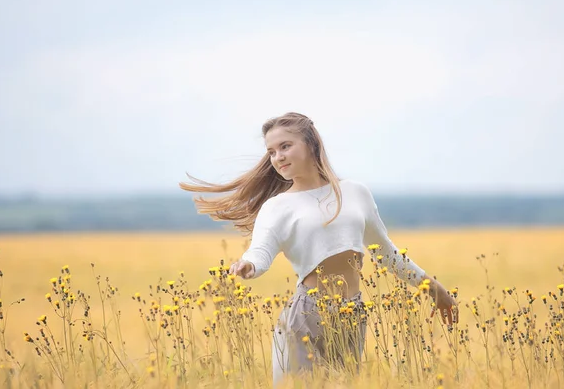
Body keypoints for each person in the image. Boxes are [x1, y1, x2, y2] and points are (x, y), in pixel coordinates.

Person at [179, 112, 457, 386]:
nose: (278, 157)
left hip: (352, 314)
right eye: (272, 152)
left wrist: (434, 289)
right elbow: (260, 252)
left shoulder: (356, 192)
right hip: (305, 317)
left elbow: (387, 253)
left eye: (285, 146)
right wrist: (248, 265)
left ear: (312, 144)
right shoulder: (277, 207)